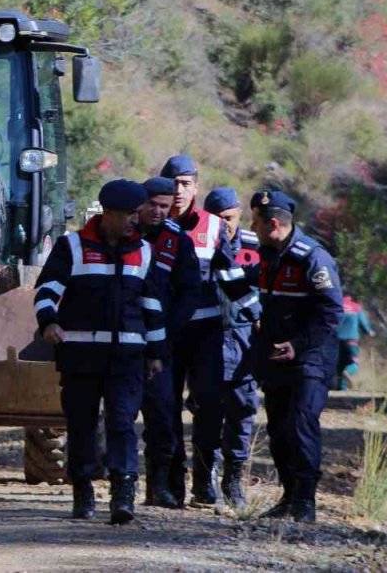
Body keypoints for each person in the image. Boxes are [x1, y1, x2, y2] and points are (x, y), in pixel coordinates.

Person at [33, 179, 169, 525]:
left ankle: (123, 493)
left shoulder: (144, 251)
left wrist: (156, 352)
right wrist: (48, 322)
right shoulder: (72, 247)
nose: (135, 222)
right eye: (129, 215)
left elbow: (153, 305)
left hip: (128, 356)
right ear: (108, 213)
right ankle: (83, 488)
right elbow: (47, 289)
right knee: (81, 425)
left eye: (137, 215)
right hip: (80, 355)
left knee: (122, 422)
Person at [249, 190, 344, 524]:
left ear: (273, 224)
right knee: (278, 428)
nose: (252, 227)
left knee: (301, 423)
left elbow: (331, 313)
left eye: (256, 222)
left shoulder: (313, 259)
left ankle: (305, 501)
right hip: (276, 358)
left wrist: (299, 345)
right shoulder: (264, 255)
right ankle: (288, 496)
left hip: (310, 358)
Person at [158, 154, 226, 506]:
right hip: (165, 333)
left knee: (210, 406)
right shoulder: (151, 224)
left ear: (197, 187)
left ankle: (204, 480)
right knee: (164, 408)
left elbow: (232, 278)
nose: (179, 190)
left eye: (185, 183)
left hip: (205, 332)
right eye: (173, 183)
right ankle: (171, 482)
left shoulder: (214, 227)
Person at [137, 175, 200, 509]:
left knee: (162, 415)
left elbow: (190, 291)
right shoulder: (121, 233)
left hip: (161, 345)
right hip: (118, 340)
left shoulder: (179, 241)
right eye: (153, 205)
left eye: (165, 206)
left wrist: (168, 331)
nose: (160, 212)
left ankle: (158, 486)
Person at [204, 187, 262, 509]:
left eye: (229, 218)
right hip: (209, 340)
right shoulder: (199, 244)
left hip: (244, 343)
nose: (224, 225)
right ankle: (208, 476)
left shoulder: (256, 246)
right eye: (217, 219)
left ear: (239, 214)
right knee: (207, 411)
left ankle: (234, 478)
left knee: (242, 411)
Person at [336, 295, 375, 390]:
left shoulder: (337, 305)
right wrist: (370, 332)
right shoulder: (356, 307)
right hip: (351, 340)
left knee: (339, 364)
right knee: (353, 364)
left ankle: (341, 390)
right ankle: (347, 374)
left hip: (335, 341)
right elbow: (364, 324)